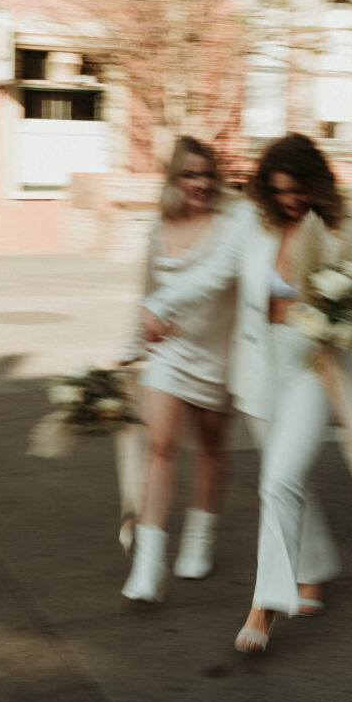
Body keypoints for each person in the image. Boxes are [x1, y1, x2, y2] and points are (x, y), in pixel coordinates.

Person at [142, 133, 352, 651]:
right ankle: (315, 566)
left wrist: (350, 316)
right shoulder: (251, 223)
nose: (289, 201)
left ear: (317, 183)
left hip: (314, 368)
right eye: (278, 191)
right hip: (260, 365)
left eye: (298, 190)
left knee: (277, 480)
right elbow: (211, 274)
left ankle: (265, 605)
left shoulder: (346, 230)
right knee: (288, 476)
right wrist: (162, 304)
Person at [119, 136, 237, 603]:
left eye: (208, 175)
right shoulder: (157, 226)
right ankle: (148, 568)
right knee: (161, 448)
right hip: (167, 352)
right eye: (190, 174)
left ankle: (199, 541)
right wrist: (132, 345)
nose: (200, 183)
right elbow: (146, 291)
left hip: (217, 354)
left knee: (210, 447)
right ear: (174, 179)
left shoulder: (231, 225)